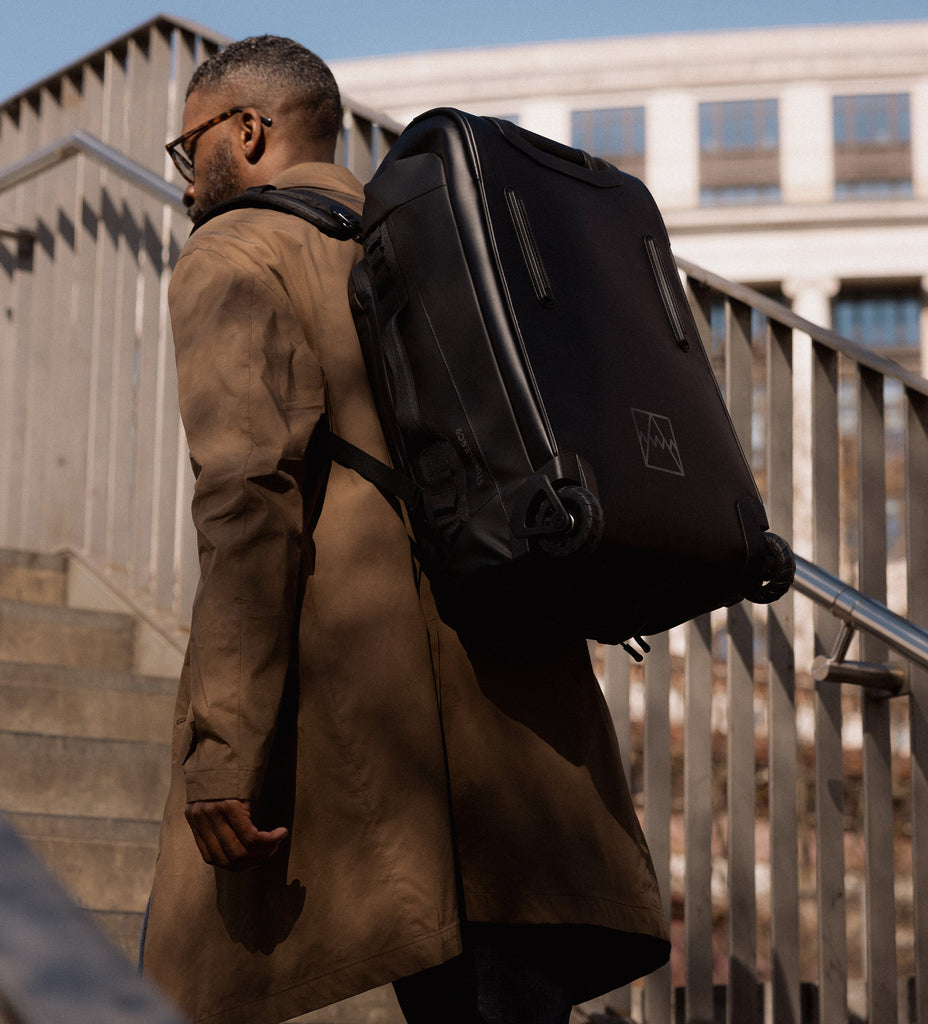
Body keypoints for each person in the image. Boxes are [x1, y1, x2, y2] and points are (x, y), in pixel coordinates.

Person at [141, 35, 670, 1024]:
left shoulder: (237, 250)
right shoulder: (434, 241)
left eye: (188, 149)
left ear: (246, 131)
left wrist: (223, 745)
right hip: (524, 700)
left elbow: (248, 500)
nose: (183, 181)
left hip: (388, 718)